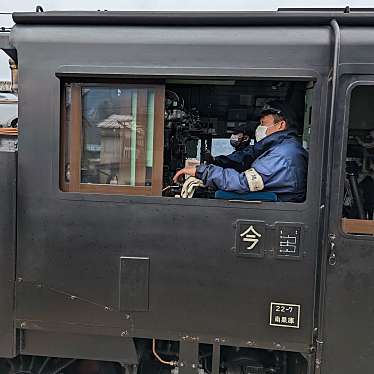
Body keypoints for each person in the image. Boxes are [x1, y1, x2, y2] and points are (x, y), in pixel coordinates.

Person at [173, 101, 308, 202]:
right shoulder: (278, 147)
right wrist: (215, 162)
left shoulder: (283, 154)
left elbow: (243, 183)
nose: (260, 128)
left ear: (281, 125)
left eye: (263, 123)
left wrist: (201, 171)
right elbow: (245, 157)